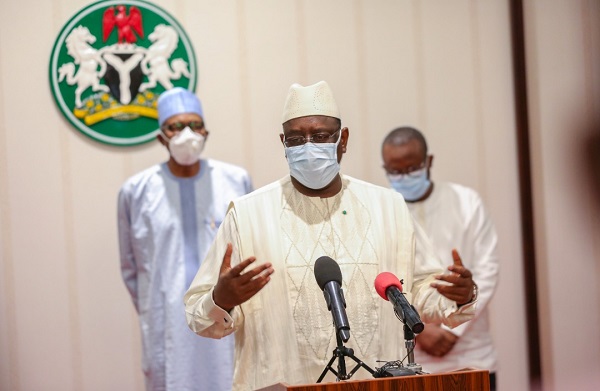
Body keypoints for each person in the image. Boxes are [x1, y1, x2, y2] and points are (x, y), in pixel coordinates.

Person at [184, 81, 478, 391]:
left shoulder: (388, 207)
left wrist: (458, 295)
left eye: (321, 136)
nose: (308, 146)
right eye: (296, 139)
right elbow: (198, 316)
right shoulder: (247, 215)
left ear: (343, 139)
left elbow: (419, 293)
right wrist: (222, 300)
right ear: (283, 143)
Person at [118, 87, 253, 391]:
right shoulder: (136, 192)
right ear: (160, 136)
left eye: (194, 124)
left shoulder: (235, 180)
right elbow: (130, 268)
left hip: (226, 313)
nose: (187, 133)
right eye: (176, 126)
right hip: (166, 317)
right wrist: (157, 303)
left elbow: (249, 248)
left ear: (206, 131)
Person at [381, 126, 499, 390]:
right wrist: (421, 331)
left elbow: (487, 271)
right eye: (394, 171)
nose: (403, 176)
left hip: (472, 354)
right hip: (411, 357)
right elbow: (383, 283)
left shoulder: (466, 201)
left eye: (411, 168)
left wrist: (451, 329)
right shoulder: (383, 212)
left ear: (428, 162)